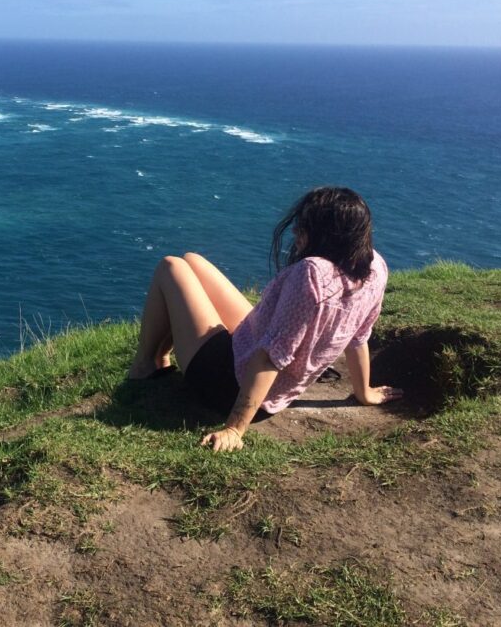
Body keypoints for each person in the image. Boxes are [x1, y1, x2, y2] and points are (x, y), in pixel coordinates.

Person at [128, 186, 403, 453]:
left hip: (227, 384)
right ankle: (160, 357)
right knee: (192, 261)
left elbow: (271, 357)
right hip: (260, 368)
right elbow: (359, 337)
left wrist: (235, 429)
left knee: (171, 267)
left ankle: (145, 365)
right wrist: (364, 392)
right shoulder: (374, 266)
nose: (296, 231)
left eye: (304, 225)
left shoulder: (312, 274)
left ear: (324, 234)